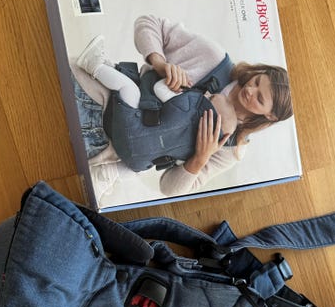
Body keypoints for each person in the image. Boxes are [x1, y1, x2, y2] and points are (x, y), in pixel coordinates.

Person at [75, 15, 293, 197]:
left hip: (100, 150)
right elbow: (148, 22)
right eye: (256, 81)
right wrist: (159, 63)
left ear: (270, 116)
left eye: (260, 98)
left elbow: (168, 188)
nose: (250, 90)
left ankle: (108, 175)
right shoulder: (214, 61)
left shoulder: (228, 148)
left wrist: (199, 159)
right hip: (90, 92)